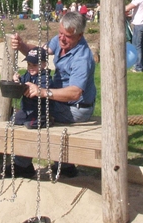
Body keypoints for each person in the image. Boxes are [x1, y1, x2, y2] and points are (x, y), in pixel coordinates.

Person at [10, 11, 96, 178]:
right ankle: (65, 166)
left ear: (79, 35)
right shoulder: (61, 40)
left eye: (67, 36)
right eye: (60, 33)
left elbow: (75, 93)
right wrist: (22, 45)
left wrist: (43, 92)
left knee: (31, 114)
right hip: (61, 101)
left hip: (76, 108)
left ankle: (22, 165)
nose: (61, 39)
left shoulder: (82, 58)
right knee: (35, 107)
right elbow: (39, 54)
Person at [12, 47, 55, 130]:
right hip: (26, 109)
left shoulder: (45, 78)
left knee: (30, 124)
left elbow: (43, 91)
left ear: (44, 64)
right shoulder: (27, 75)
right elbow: (21, 83)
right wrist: (17, 80)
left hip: (39, 111)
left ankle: (47, 120)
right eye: (29, 64)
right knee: (14, 120)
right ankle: (25, 118)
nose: (31, 67)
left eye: (34, 65)